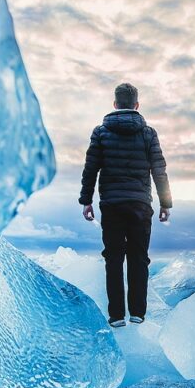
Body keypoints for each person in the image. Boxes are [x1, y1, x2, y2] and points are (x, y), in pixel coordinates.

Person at [79, 82, 172, 327]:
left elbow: (91, 169)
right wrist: (165, 203)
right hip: (140, 205)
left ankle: (116, 315)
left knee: (113, 259)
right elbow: (159, 170)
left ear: (115, 104)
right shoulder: (148, 133)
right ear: (136, 105)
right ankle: (138, 313)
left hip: (111, 204)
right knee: (139, 258)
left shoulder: (101, 132)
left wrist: (86, 200)